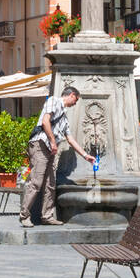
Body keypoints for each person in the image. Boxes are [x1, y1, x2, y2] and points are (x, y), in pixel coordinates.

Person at [19, 87, 95, 227]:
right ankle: (24, 215)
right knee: (36, 182)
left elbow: (70, 139)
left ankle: (47, 216)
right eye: (76, 100)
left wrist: (85, 156)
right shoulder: (53, 101)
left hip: (51, 150)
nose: (75, 103)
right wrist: (53, 141)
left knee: (51, 184)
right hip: (40, 145)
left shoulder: (64, 119)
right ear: (71, 95)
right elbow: (45, 121)